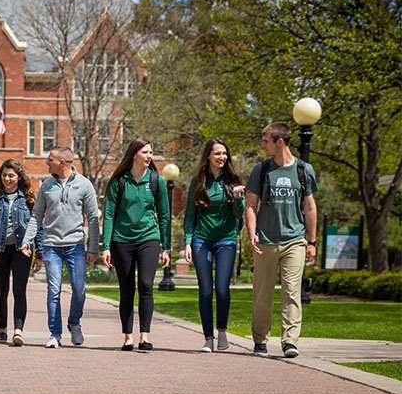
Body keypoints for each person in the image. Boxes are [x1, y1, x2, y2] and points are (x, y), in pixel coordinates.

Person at [246, 122, 318, 358]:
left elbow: (310, 207)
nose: (262, 144)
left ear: (280, 142)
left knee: (292, 293)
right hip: (265, 241)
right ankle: (260, 340)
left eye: (266, 140)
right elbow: (251, 205)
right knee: (262, 295)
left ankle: (289, 341)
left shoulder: (304, 170)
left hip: (294, 241)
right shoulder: (262, 169)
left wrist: (312, 242)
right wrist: (252, 232)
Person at [21, 146, 99, 348]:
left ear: (62, 162)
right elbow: (36, 216)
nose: (47, 162)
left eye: (50, 159)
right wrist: (27, 240)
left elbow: (93, 217)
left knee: (79, 289)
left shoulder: (84, 185)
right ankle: (55, 334)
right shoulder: (47, 185)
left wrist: (93, 248)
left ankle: (74, 322)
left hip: (75, 245)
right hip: (52, 246)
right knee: (53, 290)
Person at [100, 139, 170, 352]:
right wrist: (106, 246)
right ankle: (128, 337)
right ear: (134, 155)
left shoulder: (156, 181)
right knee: (127, 289)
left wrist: (166, 247)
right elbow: (109, 214)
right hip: (122, 240)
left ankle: (145, 336)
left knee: (146, 285)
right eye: (145, 152)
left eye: (151, 152)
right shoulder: (119, 182)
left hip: (149, 238)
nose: (149, 156)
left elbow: (164, 215)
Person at [182, 139, 245, 353]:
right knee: (206, 291)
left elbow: (239, 214)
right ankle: (208, 338)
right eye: (217, 153)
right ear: (208, 155)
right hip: (202, 240)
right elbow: (190, 215)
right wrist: (188, 242)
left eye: (224, 153)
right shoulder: (198, 181)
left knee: (222, 289)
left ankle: (222, 331)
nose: (222, 157)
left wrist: (238, 198)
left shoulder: (233, 180)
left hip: (226, 239)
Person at [0, 159, 43, 346]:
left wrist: (39, 254)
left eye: (11, 175)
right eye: (4, 175)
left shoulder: (28, 199)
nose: (7, 179)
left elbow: (37, 227)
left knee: (19, 290)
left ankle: (18, 331)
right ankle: (2, 330)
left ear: (19, 177)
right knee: (1, 291)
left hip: (21, 250)